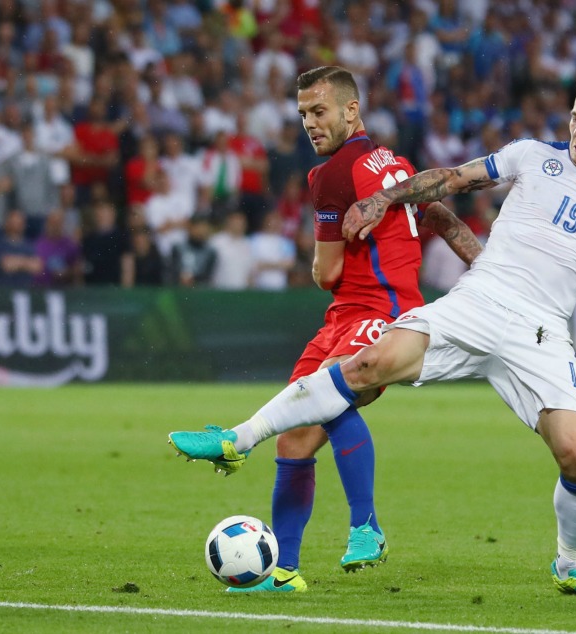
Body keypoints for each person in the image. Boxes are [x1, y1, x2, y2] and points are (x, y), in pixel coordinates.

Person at [169, 70, 576, 598]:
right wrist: (386, 199)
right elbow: (450, 179)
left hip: (541, 331)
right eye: (574, 117)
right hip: (477, 302)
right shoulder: (531, 156)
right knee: (365, 366)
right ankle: (236, 439)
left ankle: (571, 567)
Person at [173, 66, 482, 594]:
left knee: (331, 397)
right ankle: (284, 571)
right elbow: (443, 221)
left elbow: (328, 273)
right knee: (294, 437)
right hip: (347, 316)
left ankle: (367, 526)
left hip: (377, 312)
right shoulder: (394, 164)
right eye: (302, 115)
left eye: (319, 111)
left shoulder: (332, 174)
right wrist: (490, 271)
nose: (310, 123)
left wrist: (319, 267)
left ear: (350, 110)